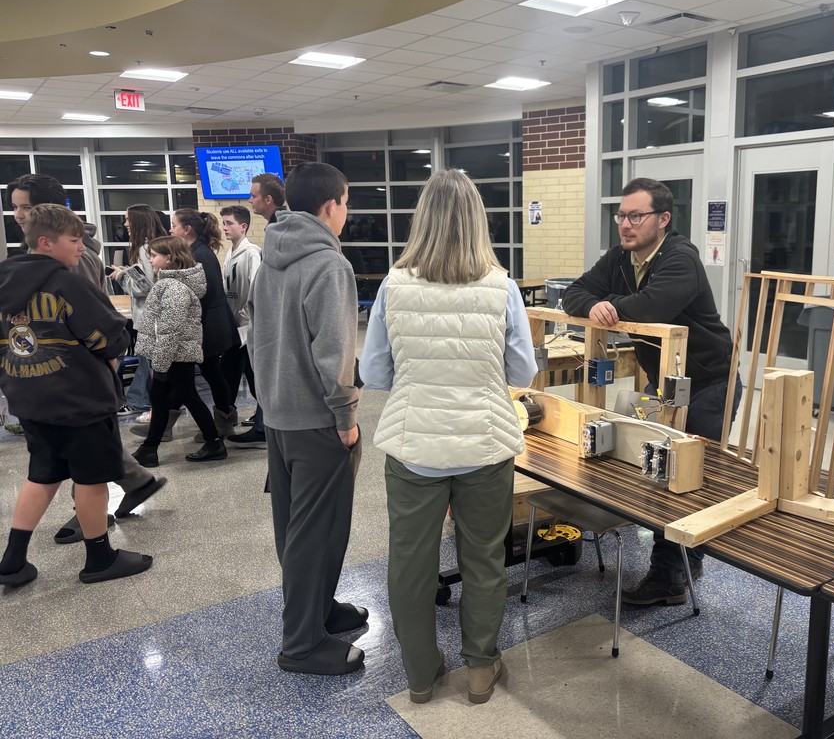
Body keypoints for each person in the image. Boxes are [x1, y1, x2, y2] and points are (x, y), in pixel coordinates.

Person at [361, 169, 538, 705]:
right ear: (478, 222)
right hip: (484, 446)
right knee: (484, 559)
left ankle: (420, 673)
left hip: (415, 448)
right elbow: (523, 372)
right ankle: (481, 669)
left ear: (422, 220)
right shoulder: (502, 286)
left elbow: (374, 374)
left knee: (409, 563)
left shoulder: (394, 285)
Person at [561, 177, 740, 606]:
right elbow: (573, 292)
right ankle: (682, 562)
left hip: (709, 381)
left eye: (636, 216)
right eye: (621, 215)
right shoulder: (620, 258)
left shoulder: (681, 259)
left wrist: (611, 307)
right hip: (665, 381)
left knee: (685, 477)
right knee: (662, 469)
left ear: (663, 219)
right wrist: (591, 305)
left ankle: (668, 579)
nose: (625, 224)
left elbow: (653, 305)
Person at [249, 162, 365, 676]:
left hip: (277, 414)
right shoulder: (328, 265)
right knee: (316, 530)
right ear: (331, 206)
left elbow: (258, 338)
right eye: (346, 202)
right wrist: (345, 416)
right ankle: (300, 644)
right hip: (317, 419)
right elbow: (335, 353)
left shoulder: (268, 258)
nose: (347, 212)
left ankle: (319, 610)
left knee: (294, 526)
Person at [0, 204, 153, 587]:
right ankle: (100, 557)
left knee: (43, 474)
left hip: (30, 398)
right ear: (46, 242)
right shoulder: (66, 283)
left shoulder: (3, 282)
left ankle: (13, 558)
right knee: (91, 479)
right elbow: (108, 336)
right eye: (74, 240)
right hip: (80, 400)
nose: (82, 248)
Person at [131, 236, 226, 467]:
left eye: (154, 255)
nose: (151, 260)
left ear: (169, 258)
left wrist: (160, 364)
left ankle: (214, 442)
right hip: (174, 353)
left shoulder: (173, 288)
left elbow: (169, 330)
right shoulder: (170, 284)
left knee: (186, 397)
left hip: (174, 354)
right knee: (162, 398)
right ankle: (150, 448)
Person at [169, 208, 239, 439]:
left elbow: (201, 292)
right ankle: (164, 423)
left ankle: (224, 419)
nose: (171, 230)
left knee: (209, 373)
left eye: (174, 225)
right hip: (207, 324)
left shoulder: (199, 254)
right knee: (194, 374)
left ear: (187, 229)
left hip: (210, 326)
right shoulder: (195, 251)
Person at [109, 204, 168, 414]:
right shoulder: (150, 247)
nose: (125, 224)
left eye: (128, 219)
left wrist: (122, 276)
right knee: (146, 361)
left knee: (148, 361)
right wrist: (130, 272)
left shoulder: (144, 249)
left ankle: (138, 401)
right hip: (149, 316)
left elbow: (146, 287)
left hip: (149, 316)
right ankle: (139, 400)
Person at [219, 205, 265, 449]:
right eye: (224, 223)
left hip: (248, 326)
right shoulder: (231, 252)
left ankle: (265, 426)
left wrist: (246, 320)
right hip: (235, 325)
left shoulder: (251, 253)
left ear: (243, 226)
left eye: (229, 223)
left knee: (255, 375)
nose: (225, 228)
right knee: (234, 372)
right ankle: (258, 421)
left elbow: (256, 289)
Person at [243, 173, 285, 431]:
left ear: (269, 199)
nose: (250, 200)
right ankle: (261, 423)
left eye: (254, 196)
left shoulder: (280, 229)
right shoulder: (274, 227)